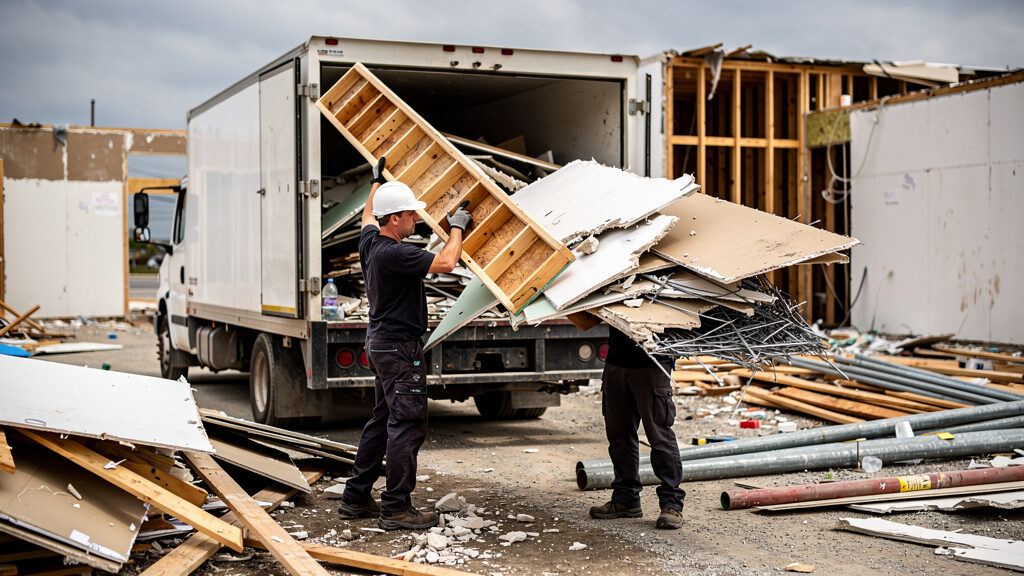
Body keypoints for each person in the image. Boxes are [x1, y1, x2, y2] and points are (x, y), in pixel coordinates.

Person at [337, 157, 472, 530]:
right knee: (407, 424)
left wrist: (376, 182)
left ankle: (355, 497)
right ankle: (395, 508)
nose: (417, 219)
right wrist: (456, 228)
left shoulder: (370, 241)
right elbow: (447, 262)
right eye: (412, 214)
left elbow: (367, 215)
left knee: (382, 420)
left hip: (380, 343)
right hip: (399, 349)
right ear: (394, 219)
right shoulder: (396, 253)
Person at [589, 327, 685, 529]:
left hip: (652, 362)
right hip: (616, 361)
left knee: (659, 435)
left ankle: (671, 504)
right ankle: (626, 498)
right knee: (619, 435)